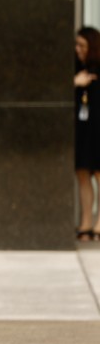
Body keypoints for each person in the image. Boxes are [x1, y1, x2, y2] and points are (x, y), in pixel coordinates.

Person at [74, 26, 100, 241]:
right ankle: (86, 222)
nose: (78, 49)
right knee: (82, 174)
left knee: (99, 175)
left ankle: (99, 223)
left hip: (98, 128)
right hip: (82, 129)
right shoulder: (75, 69)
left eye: (82, 45)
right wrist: (75, 83)